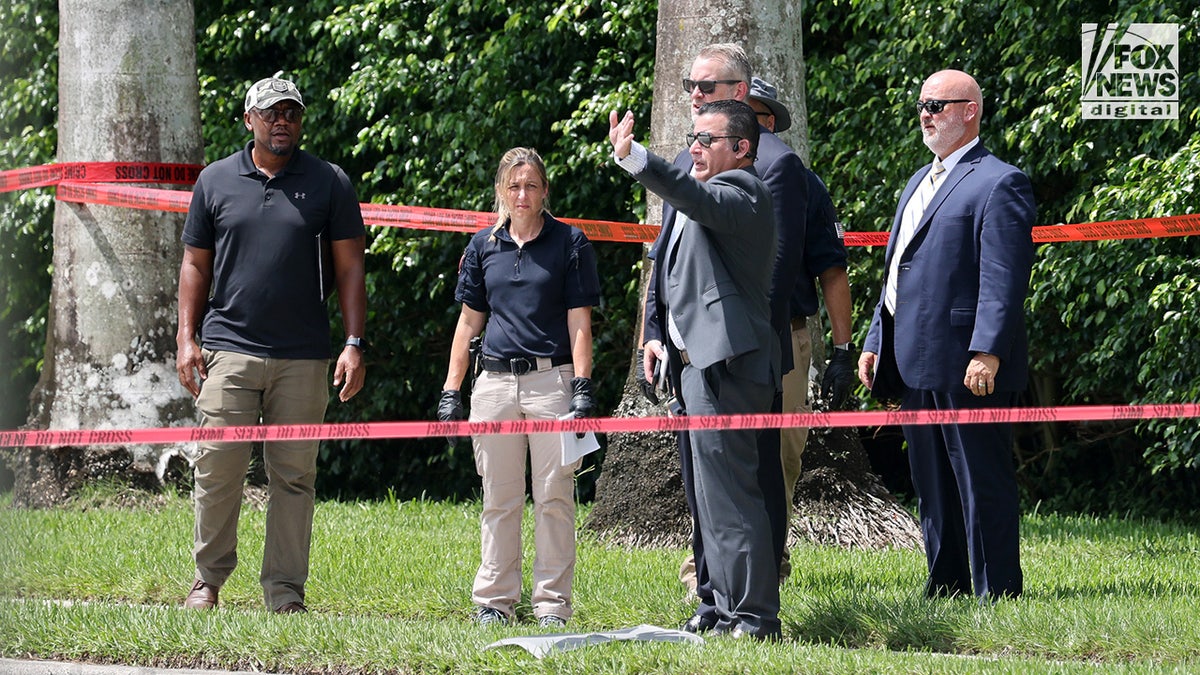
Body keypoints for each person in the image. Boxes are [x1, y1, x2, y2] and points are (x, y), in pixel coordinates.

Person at [176, 74, 367, 614]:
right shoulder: (215, 180)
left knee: (294, 477)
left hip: (303, 355)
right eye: (271, 112)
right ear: (249, 119)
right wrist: (186, 337)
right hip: (227, 349)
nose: (282, 121)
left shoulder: (329, 182)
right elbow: (195, 264)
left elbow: (351, 269)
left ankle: (284, 592)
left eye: (291, 113)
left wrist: (354, 342)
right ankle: (207, 582)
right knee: (217, 469)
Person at [857, 69, 1035, 600]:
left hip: (967, 362)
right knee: (932, 483)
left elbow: (1003, 278)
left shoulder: (1000, 181)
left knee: (981, 480)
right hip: (913, 357)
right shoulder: (917, 181)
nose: (925, 115)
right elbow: (896, 270)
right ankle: (947, 585)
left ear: (969, 111)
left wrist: (988, 351)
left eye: (936, 105)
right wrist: (875, 338)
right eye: (921, 105)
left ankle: (997, 592)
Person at [612, 99, 782, 640]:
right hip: (694, 369)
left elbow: (691, 194)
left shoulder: (743, 191)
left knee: (733, 497)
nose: (695, 147)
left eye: (707, 139)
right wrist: (660, 338)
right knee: (710, 502)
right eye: (693, 138)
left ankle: (755, 619)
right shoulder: (705, 196)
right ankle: (727, 612)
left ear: (742, 148)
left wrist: (635, 157)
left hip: (728, 368)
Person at [436, 147, 601, 629]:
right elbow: (468, 323)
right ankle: (494, 602)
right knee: (499, 498)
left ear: (545, 189)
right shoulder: (482, 247)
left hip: (552, 382)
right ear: (501, 192)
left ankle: (552, 606)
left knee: (554, 499)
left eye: (530, 185)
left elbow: (580, 322)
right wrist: (451, 390)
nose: (522, 194)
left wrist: (582, 387)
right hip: (493, 385)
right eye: (514, 186)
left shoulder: (570, 242)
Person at [744, 77, 855, 582]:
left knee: (784, 456)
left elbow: (832, 270)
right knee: (718, 457)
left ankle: (769, 561)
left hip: (787, 337)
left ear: (769, 123)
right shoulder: (701, 177)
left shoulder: (803, 184)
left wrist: (843, 350)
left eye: (752, 115)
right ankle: (705, 574)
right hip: (718, 339)